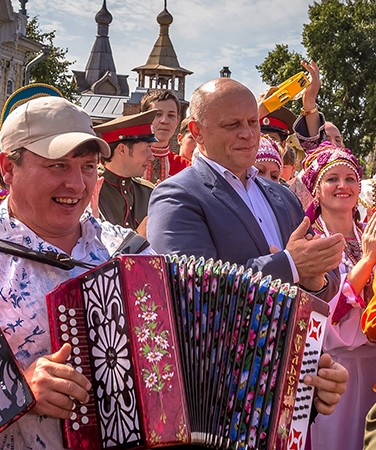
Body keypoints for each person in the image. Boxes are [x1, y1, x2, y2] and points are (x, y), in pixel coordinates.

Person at [0, 96, 158, 449]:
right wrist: (17, 390)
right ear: (7, 168)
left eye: (87, 166)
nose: (78, 185)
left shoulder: (130, 252)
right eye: (57, 166)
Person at [146, 77, 348, 421]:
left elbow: (323, 283)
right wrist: (288, 265)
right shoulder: (176, 195)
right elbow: (191, 293)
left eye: (253, 122)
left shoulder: (282, 196)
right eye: (233, 124)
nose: (248, 133)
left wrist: (314, 280)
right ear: (197, 129)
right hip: (218, 400)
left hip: (288, 394)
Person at [300, 142, 376, 450]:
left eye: (350, 179)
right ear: (317, 190)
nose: (342, 185)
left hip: (372, 365)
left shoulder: (367, 232)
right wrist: (368, 260)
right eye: (332, 179)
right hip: (332, 371)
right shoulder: (309, 243)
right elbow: (324, 312)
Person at [93, 109, 157, 231]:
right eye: (146, 149)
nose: (151, 157)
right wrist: (138, 238)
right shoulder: (92, 191)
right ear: (122, 150)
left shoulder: (147, 191)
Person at [140, 89, 189, 184]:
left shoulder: (185, 169)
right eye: (157, 114)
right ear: (143, 118)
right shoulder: (126, 161)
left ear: (177, 121)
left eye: (171, 115)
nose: (164, 121)